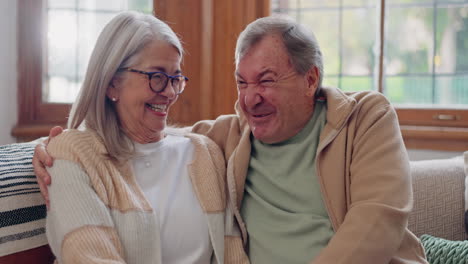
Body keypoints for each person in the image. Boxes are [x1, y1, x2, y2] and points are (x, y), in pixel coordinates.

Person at [34, 15, 428, 263]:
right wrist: (49, 149)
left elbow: (376, 223)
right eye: (242, 82)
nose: (250, 98)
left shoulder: (365, 118)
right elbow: (148, 140)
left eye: (267, 81)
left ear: (311, 79)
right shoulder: (228, 136)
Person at [36, 11, 247, 264]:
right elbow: (88, 258)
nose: (169, 92)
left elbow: (232, 254)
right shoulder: (72, 155)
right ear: (112, 83)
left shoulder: (205, 153)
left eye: (175, 78)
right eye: (156, 77)